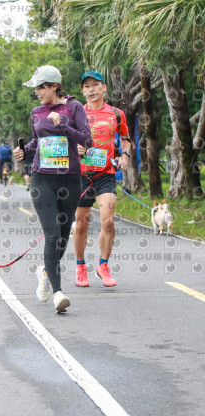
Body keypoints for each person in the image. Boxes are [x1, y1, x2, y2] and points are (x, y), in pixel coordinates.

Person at [14, 65, 92, 314]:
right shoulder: (36, 111)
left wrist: (62, 126)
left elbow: (86, 140)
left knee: (62, 236)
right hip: (42, 179)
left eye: (41, 87)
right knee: (51, 235)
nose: (37, 92)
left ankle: (45, 272)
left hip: (70, 178)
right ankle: (58, 292)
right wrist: (24, 151)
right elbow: (37, 141)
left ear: (55, 86)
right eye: (35, 88)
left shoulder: (74, 107)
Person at [73, 71, 131, 288]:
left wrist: (124, 155)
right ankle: (80, 266)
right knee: (81, 224)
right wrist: (74, 148)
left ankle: (103, 265)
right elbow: (62, 141)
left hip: (105, 174)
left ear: (104, 87)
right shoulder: (75, 113)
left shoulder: (116, 114)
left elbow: (125, 140)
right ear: (82, 90)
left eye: (95, 84)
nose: (91, 89)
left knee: (108, 220)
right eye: (86, 86)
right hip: (80, 174)